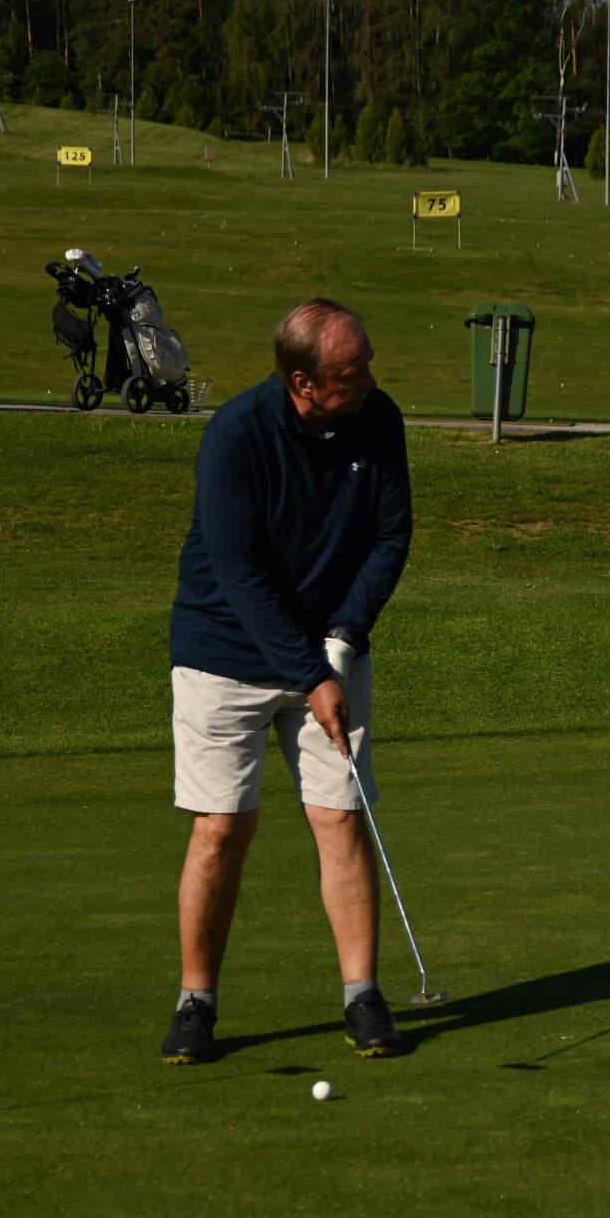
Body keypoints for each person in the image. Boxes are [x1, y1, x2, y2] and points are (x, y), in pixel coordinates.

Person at [161, 298, 413, 1065]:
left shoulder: (378, 420)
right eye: (350, 372)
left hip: (329, 651)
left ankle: (362, 995)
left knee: (339, 817)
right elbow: (240, 574)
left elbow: (391, 534)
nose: (368, 382)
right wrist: (310, 673)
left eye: (367, 366)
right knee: (221, 828)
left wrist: (342, 639)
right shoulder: (235, 434)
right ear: (303, 381)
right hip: (222, 653)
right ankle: (196, 1002)